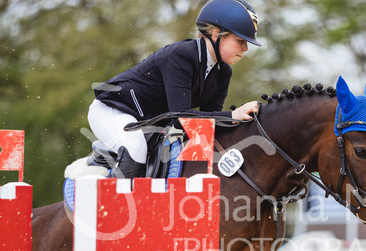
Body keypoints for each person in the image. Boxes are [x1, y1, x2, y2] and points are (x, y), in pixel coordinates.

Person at [87, 0, 261, 178]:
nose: (246, 48)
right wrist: (232, 116)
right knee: (135, 147)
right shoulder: (181, 55)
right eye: (240, 41)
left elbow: (208, 122)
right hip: (113, 109)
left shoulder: (223, 72)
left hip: (146, 123)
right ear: (216, 35)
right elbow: (181, 118)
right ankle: (112, 196)